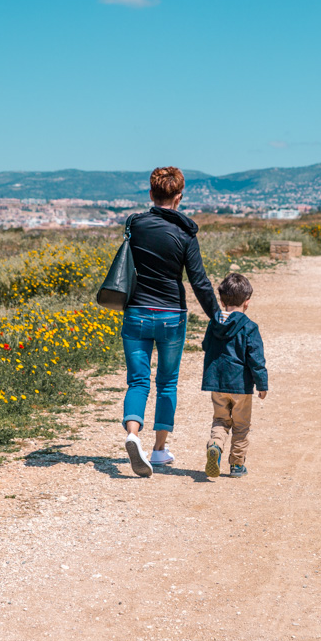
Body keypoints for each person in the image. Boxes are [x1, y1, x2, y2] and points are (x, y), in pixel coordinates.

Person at [121, 167, 220, 478]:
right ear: (179, 197)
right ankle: (159, 449)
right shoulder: (185, 234)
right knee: (166, 383)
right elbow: (199, 282)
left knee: (138, 381)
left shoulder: (134, 225)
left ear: (151, 195)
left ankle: (132, 435)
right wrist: (217, 316)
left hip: (136, 311)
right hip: (171, 316)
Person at [202, 273, 268, 479]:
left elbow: (206, 346)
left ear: (221, 301)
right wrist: (262, 384)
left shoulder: (214, 323)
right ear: (247, 302)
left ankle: (215, 446)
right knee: (241, 426)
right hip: (241, 386)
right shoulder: (249, 327)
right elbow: (256, 359)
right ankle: (237, 465)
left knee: (220, 420)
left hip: (217, 383)